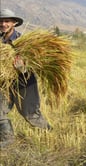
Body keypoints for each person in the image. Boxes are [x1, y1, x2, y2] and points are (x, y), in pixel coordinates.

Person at [0, 8, 51, 148]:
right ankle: (7, 140)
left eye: (7, 21)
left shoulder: (24, 42)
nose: (3, 24)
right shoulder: (0, 41)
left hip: (25, 82)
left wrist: (22, 67)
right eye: (1, 21)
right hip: (5, 83)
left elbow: (35, 65)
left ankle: (49, 134)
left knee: (30, 114)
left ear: (14, 23)